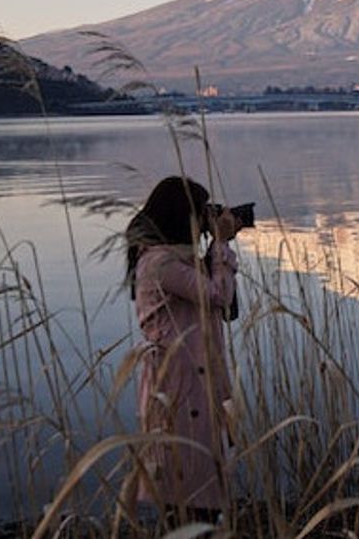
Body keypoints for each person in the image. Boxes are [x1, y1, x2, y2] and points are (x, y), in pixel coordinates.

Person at [125, 176, 242, 519]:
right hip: (179, 386)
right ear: (183, 217)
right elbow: (216, 296)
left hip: (193, 381)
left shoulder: (176, 259)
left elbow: (224, 304)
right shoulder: (161, 263)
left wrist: (214, 251)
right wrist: (220, 245)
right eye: (202, 213)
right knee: (186, 486)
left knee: (197, 484)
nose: (206, 220)